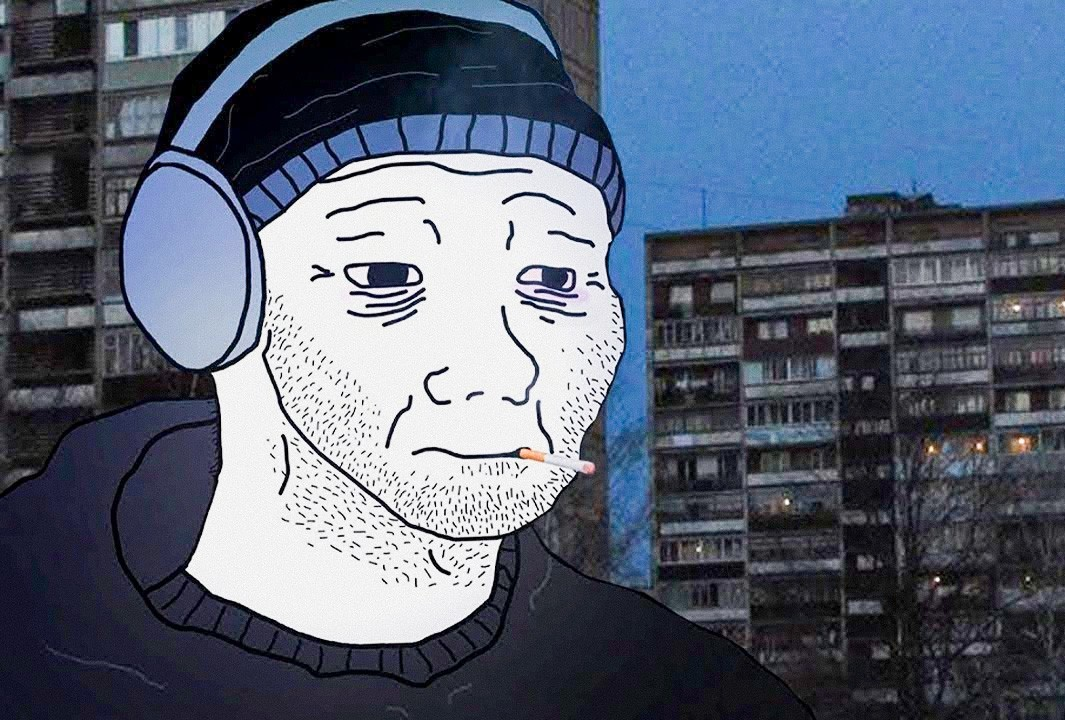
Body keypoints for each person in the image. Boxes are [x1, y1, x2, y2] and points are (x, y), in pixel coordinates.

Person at [0, 1, 813, 718]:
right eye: (388, 276)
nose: (502, 367)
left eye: (556, 279)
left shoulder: (691, 699)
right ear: (205, 291)